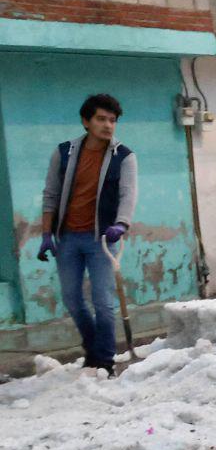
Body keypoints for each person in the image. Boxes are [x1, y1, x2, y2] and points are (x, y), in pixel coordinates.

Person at [38, 94, 136, 373]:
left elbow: (128, 194)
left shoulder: (124, 157)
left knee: (103, 303)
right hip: (67, 238)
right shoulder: (65, 153)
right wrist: (47, 234)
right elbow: (51, 194)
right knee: (72, 299)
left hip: (102, 240)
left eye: (113, 120)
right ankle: (93, 349)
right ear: (86, 121)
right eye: (101, 119)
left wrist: (122, 224)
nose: (108, 125)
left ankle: (104, 360)